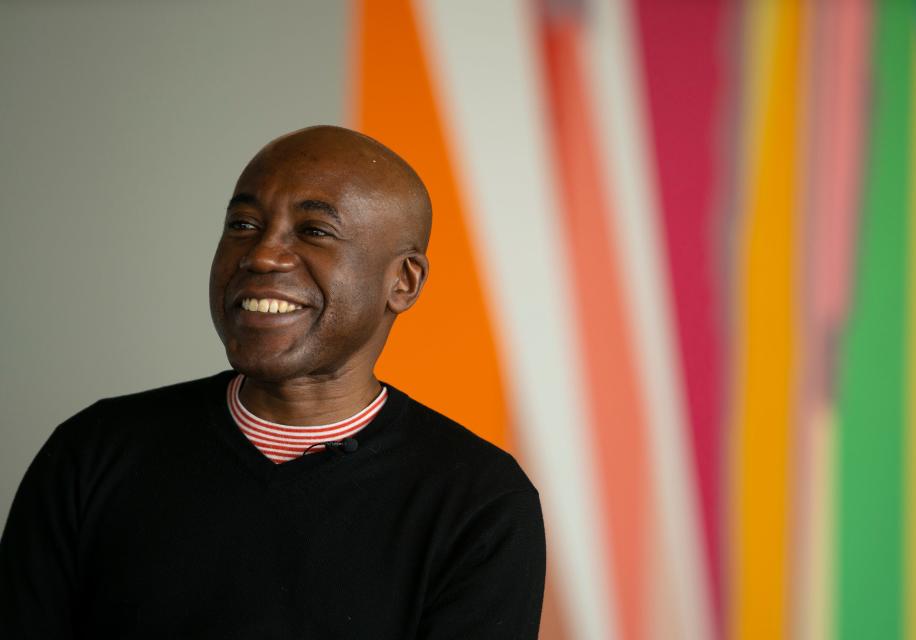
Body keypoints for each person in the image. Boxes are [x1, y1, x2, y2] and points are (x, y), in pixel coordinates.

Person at [0, 126, 546, 638]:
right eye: (242, 225)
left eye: (314, 231)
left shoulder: (480, 503)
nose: (261, 254)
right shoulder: (93, 453)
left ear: (402, 281)